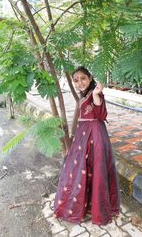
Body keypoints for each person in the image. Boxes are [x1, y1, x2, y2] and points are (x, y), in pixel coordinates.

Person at [53, 66, 120, 225]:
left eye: (83, 78)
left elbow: (101, 112)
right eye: (76, 80)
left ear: (90, 78)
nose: (79, 82)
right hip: (83, 135)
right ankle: (87, 205)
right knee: (83, 169)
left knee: (94, 170)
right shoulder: (84, 96)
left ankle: (96, 208)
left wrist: (97, 94)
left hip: (94, 135)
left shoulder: (95, 93)